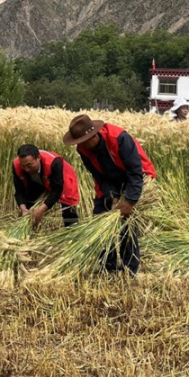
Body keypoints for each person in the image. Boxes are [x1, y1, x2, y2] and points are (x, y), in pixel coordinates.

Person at [64, 114, 156, 274]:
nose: (80, 145)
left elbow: (135, 172)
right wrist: (111, 196)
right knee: (100, 220)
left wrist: (129, 201)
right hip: (108, 181)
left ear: (93, 136)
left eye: (83, 141)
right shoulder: (83, 149)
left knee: (127, 223)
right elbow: (98, 175)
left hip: (134, 178)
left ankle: (130, 269)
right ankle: (108, 266)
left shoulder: (120, 139)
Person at [12, 144, 80, 227]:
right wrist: (23, 209)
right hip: (38, 181)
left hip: (63, 178)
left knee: (68, 207)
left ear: (38, 158)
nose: (26, 169)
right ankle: (29, 229)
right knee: (29, 206)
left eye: (29, 165)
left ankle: (71, 229)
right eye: (23, 165)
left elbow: (57, 190)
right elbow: (19, 191)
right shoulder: (17, 164)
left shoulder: (54, 163)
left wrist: (41, 210)